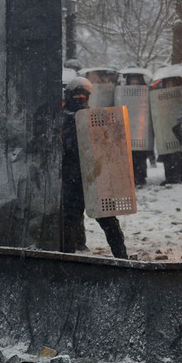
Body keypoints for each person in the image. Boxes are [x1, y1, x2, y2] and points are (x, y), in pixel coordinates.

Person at [61, 77, 128, 258]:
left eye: (84, 94)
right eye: (77, 94)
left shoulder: (94, 118)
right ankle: (66, 262)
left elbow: (108, 146)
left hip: (94, 179)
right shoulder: (61, 120)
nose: (81, 98)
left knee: (109, 221)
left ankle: (122, 257)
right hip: (71, 180)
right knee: (69, 224)